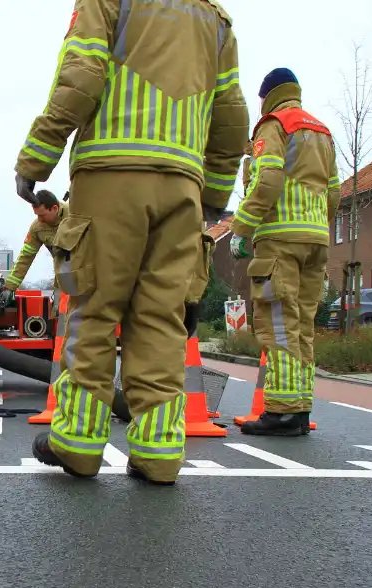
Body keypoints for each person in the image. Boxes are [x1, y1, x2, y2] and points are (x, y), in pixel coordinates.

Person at [13, 0, 249, 485]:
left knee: (93, 310)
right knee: (161, 318)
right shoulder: (214, 19)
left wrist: (35, 159)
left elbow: (81, 75)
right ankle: (159, 454)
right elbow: (231, 114)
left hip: (110, 174)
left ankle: (78, 446)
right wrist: (214, 195)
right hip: (184, 186)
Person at [228, 68, 341, 437]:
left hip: (279, 239)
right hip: (317, 241)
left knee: (278, 324)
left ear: (268, 95)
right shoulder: (323, 132)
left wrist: (241, 227)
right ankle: (300, 405)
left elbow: (269, 180)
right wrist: (319, 227)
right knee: (303, 326)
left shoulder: (274, 125)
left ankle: (282, 413)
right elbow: (335, 193)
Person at [0, 189, 68, 315]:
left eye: (42, 215)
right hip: (63, 276)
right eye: (37, 215)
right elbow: (25, 257)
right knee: (60, 313)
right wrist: (9, 287)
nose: (39, 219)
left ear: (54, 208)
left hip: (87, 273)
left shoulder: (77, 215)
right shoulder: (37, 228)